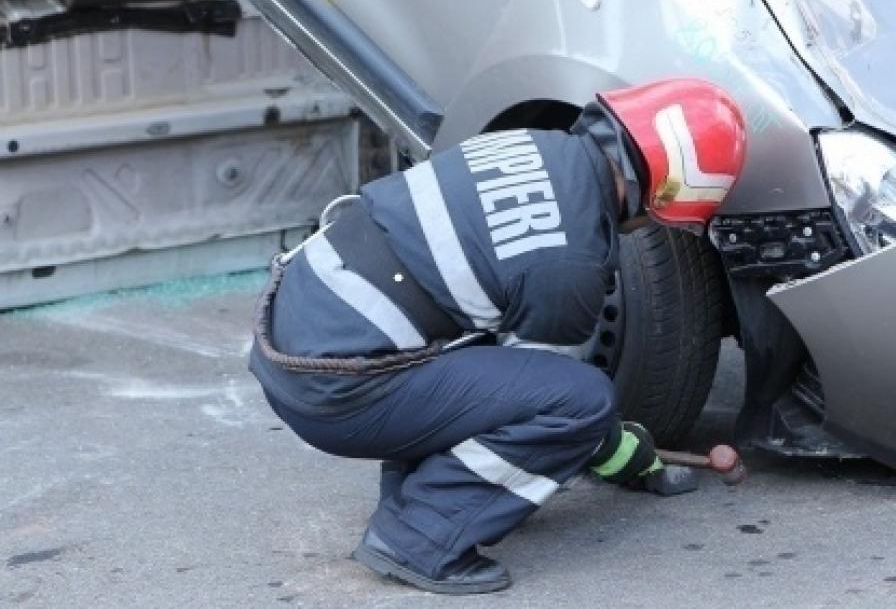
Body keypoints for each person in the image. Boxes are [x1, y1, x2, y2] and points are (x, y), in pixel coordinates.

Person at [248, 78, 747, 595]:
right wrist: (625, 451)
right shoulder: (571, 261)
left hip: (293, 335)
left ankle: (419, 498)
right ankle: (417, 538)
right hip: (334, 391)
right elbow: (552, 398)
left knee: (472, 354)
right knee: (581, 401)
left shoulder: (531, 143)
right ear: (666, 189)